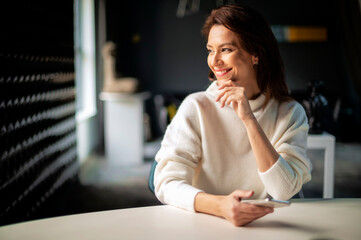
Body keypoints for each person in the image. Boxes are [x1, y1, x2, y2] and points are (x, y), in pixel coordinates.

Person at [153, 4, 312, 226]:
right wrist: (220, 206)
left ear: (255, 53)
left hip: (262, 227)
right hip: (201, 225)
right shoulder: (196, 107)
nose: (214, 60)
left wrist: (249, 119)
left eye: (226, 49)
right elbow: (165, 184)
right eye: (210, 50)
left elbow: (283, 190)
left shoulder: (290, 113)